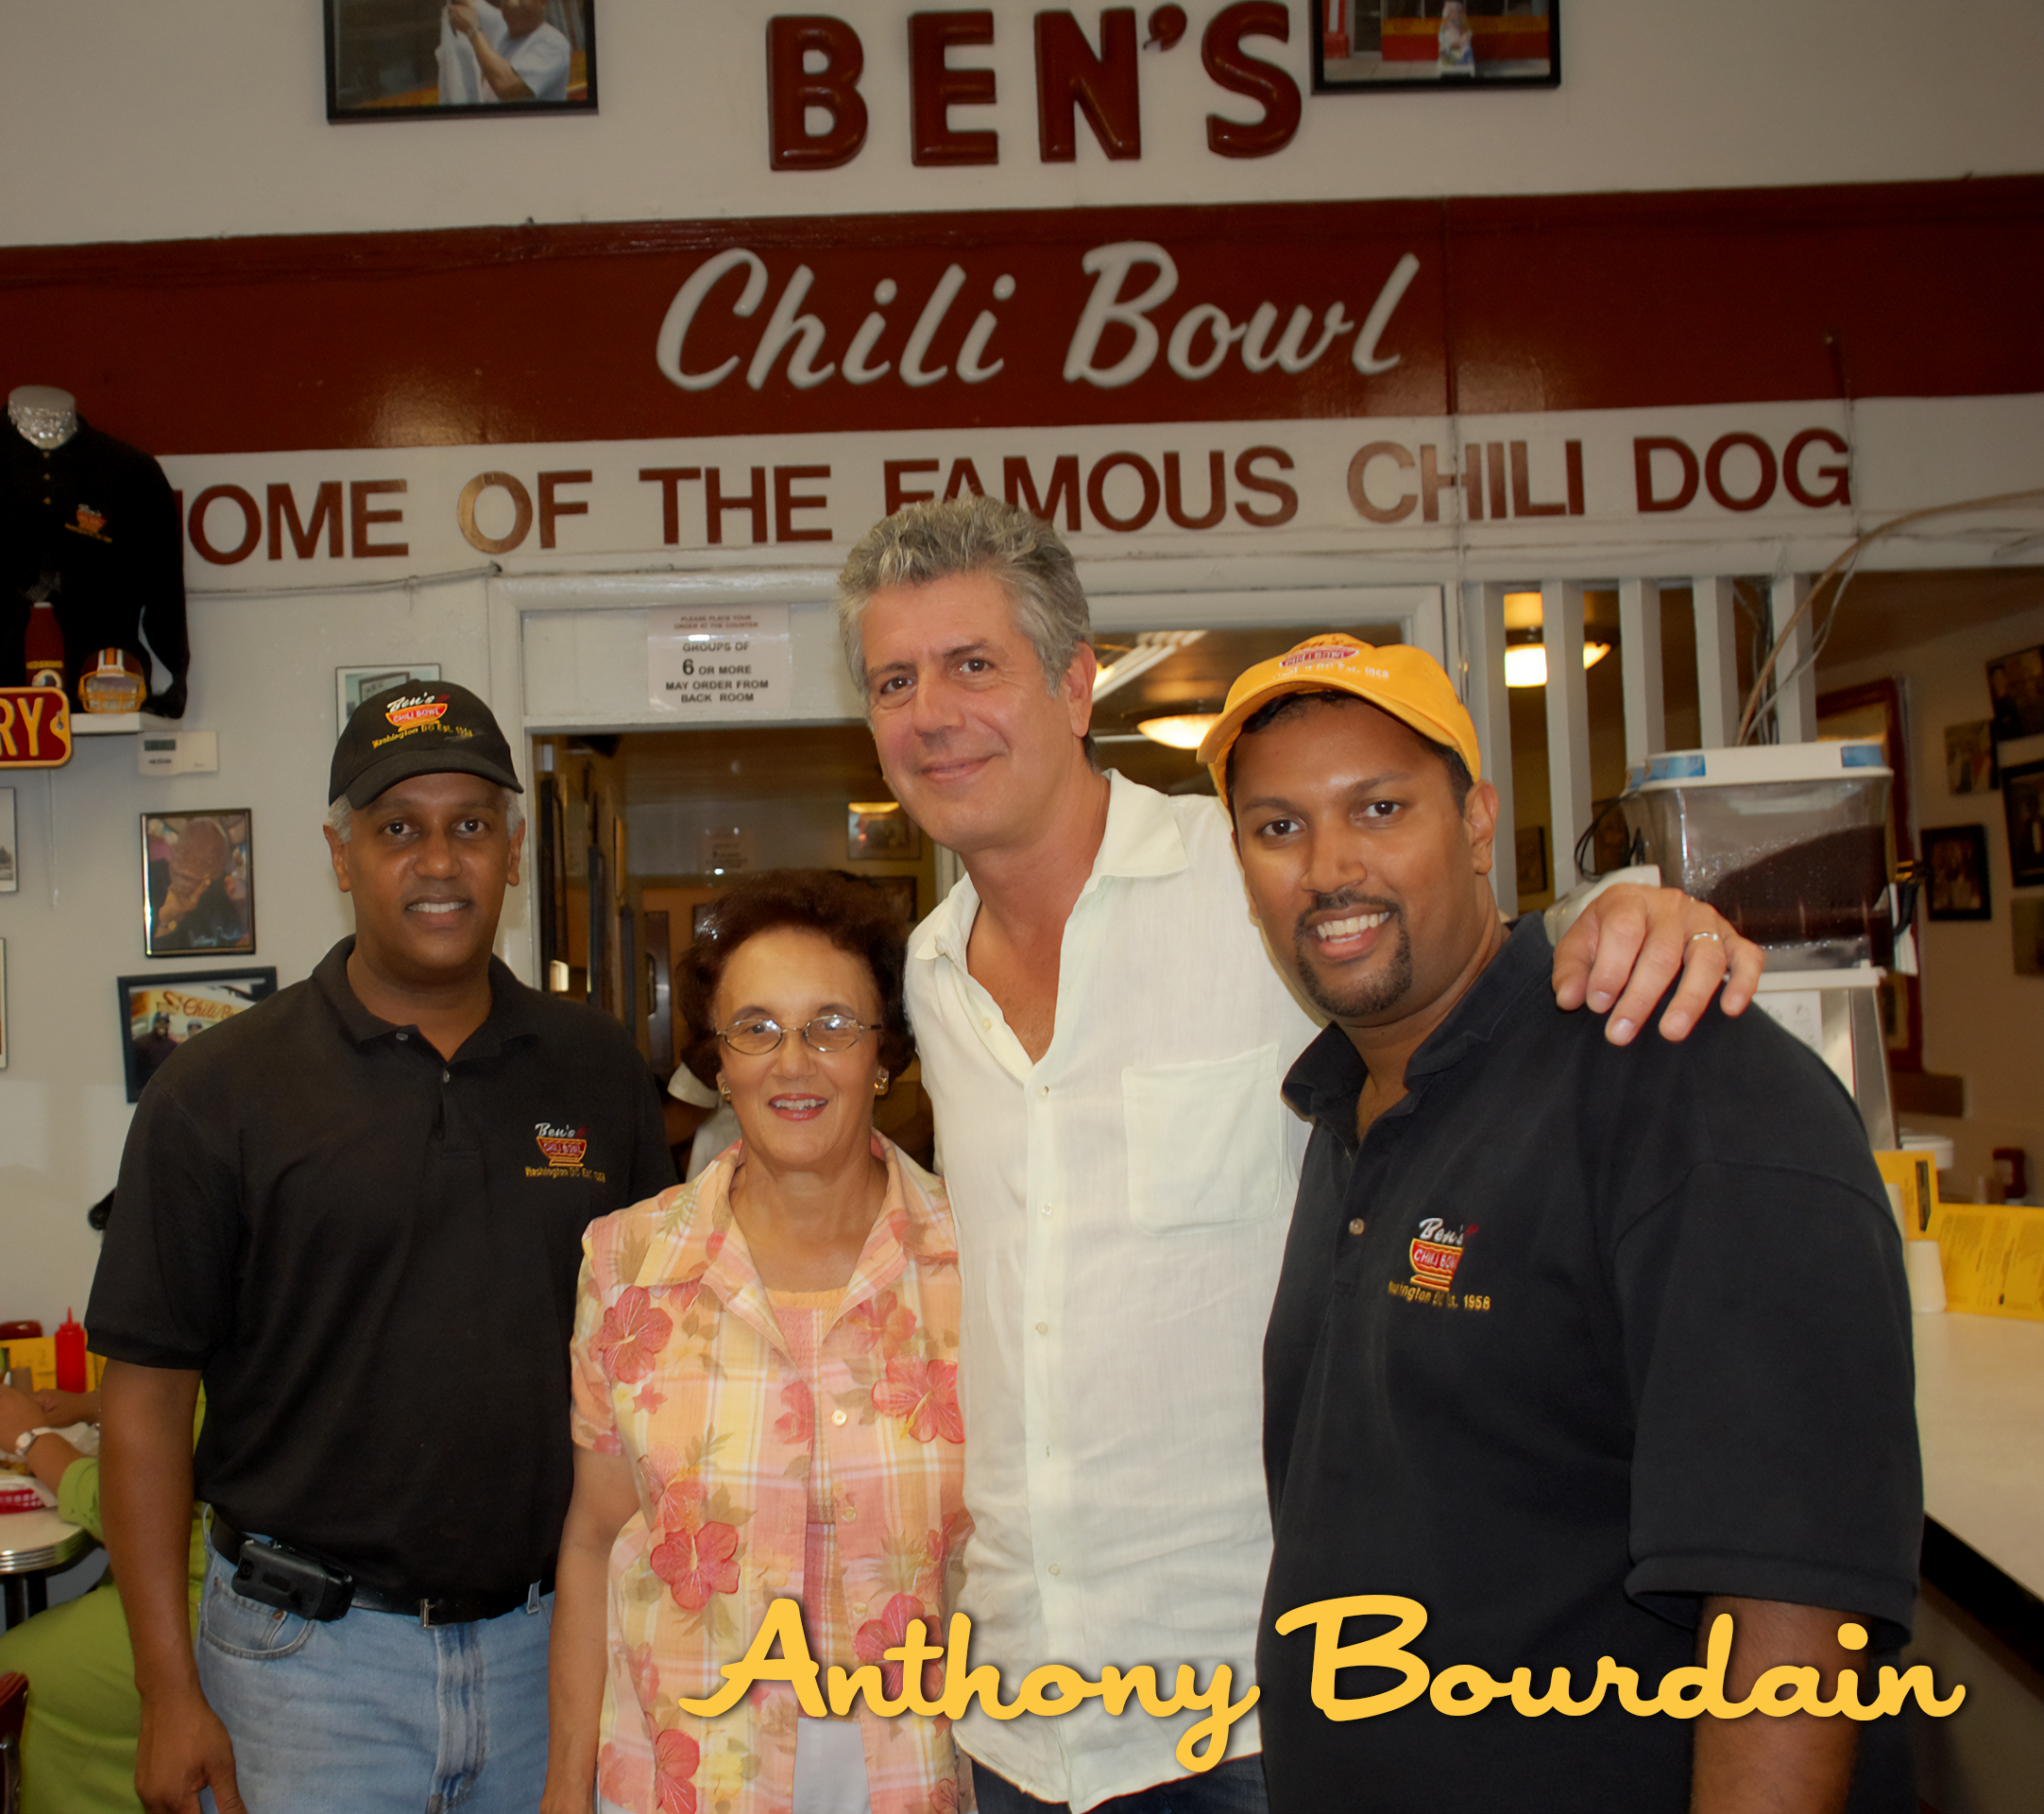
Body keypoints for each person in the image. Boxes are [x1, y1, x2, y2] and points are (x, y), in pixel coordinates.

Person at [834, 497, 1765, 1813]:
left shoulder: (1259, 885)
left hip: (1262, 1712)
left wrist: (1632, 916)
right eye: (893, 679)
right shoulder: (930, 976)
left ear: (1075, 679)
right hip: (1019, 1713)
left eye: (972, 664)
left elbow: (1470, 971)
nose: (932, 711)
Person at [1202, 635, 1920, 1812]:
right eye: (1277, 828)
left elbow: (1792, 1598)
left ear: (1477, 822)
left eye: (1378, 808)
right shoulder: (1348, 1110)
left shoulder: (1678, 1083)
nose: (1329, 866)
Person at [87, 680, 673, 1814]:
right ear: (340, 853)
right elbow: (145, 1402)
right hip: (305, 1673)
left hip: (548, 1651)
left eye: (468, 827)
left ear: (510, 849)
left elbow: (655, 1364)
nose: (438, 861)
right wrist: (169, 1692)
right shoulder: (216, 1092)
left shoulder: (597, 1071)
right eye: (397, 828)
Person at [546, 868, 963, 1814]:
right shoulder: (627, 1264)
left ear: (882, 1054)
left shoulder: (977, 1264)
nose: (793, 1062)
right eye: (757, 1030)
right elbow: (593, 1539)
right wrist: (564, 1787)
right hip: (682, 1777)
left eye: (830, 1026)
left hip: (915, 1776)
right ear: (719, 1062)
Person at [0, 1368, 208, 1814]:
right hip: (200, 1578)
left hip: (208, 1600)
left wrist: (32, 1440)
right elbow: (179, 1399)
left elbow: (133, 1513)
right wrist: (89, 1404)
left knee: (12, 1676)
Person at [146, 816, 246, 953]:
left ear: (216, 872)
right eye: (184, 852)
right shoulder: (148, 881)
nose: (188, 866)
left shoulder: (222, 912)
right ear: (174, 850)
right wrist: (165, 922)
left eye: (203, 862)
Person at [444, 0, 571, 104]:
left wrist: (473, 32)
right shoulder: (504, 25)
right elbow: (469, 2)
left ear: (543, 2)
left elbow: (506, 85)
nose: (512, 3)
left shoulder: (554, 43)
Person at [130, 1011, 179, 1086]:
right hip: (145, 1088)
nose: (161, 1025)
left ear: (168, 1025)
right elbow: (134, 1069)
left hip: (164, 1088)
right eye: (159, 1022)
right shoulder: (142, 1043)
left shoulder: (172, 1046)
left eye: (165, 1023)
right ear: (155, 1023)